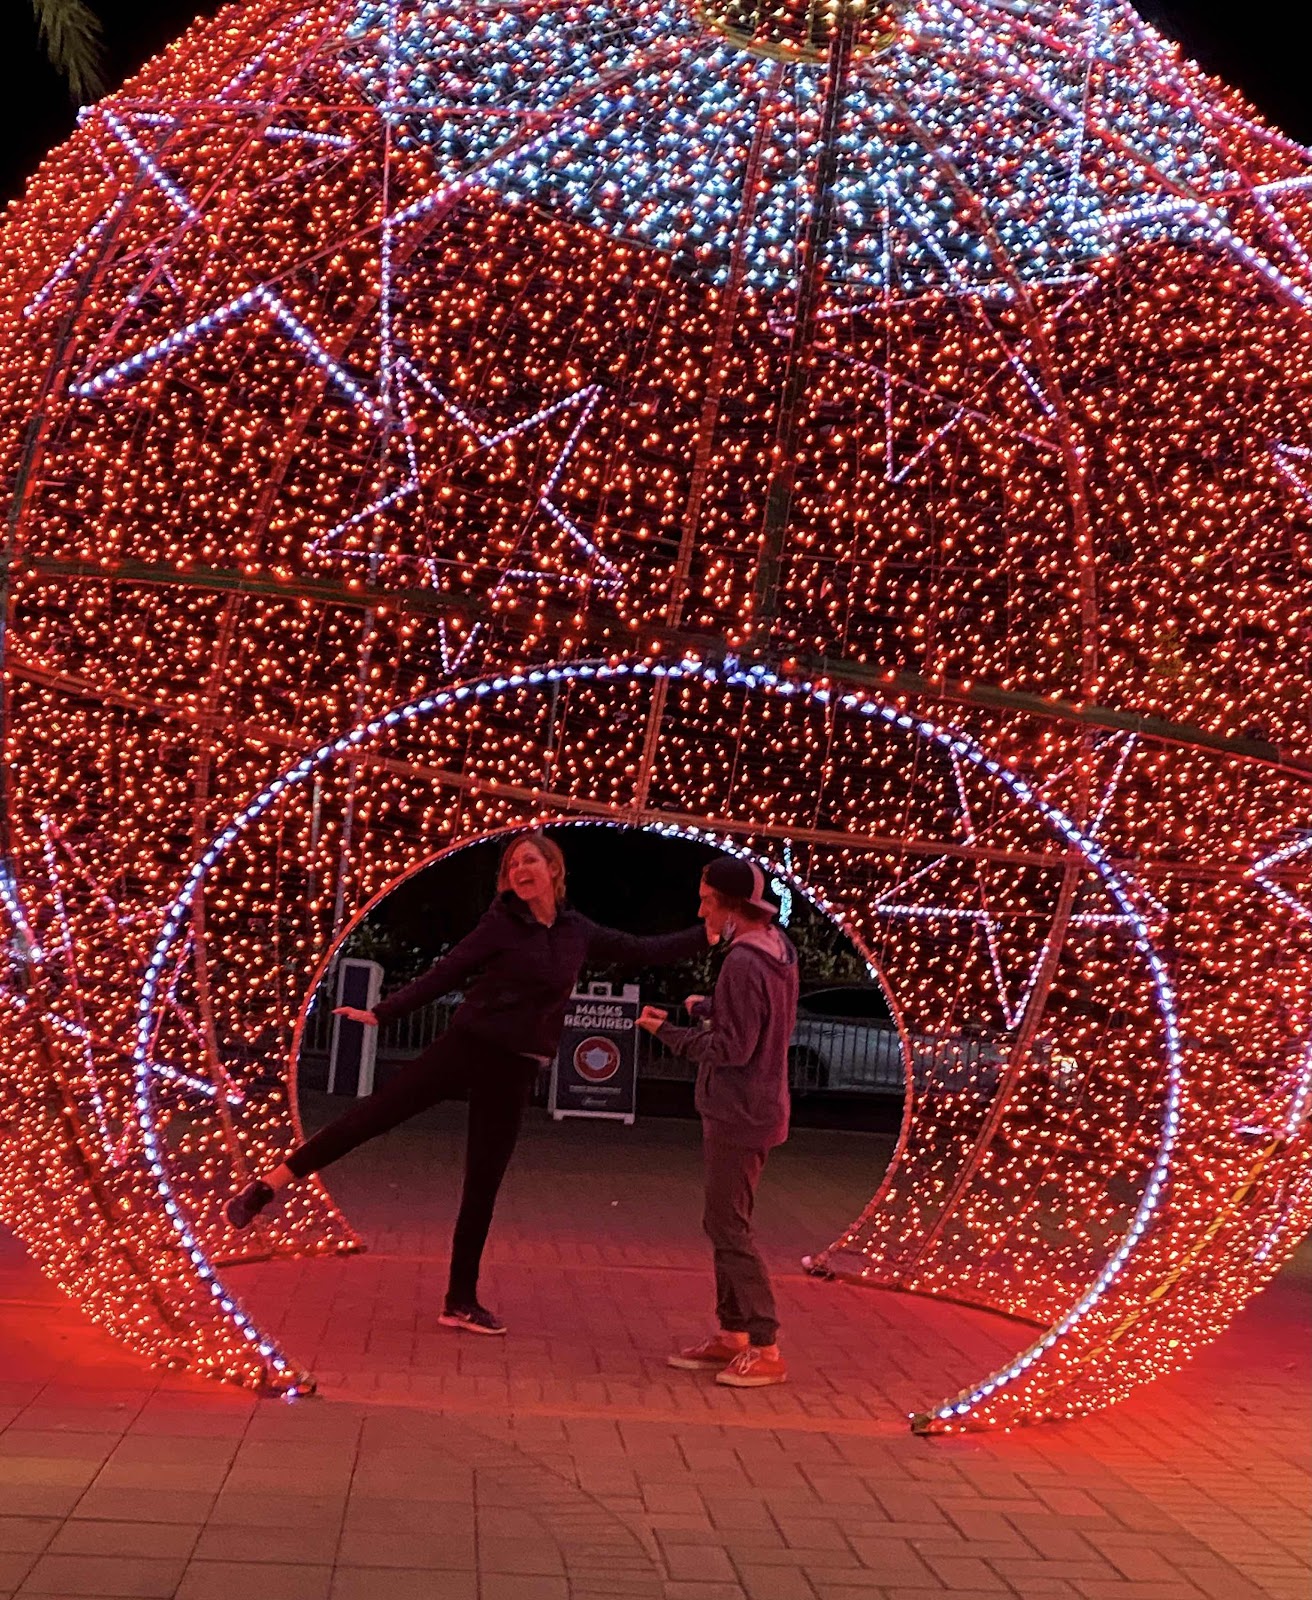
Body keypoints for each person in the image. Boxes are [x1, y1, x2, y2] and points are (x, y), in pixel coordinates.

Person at [225, 831, 707, 1335]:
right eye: (512, 865)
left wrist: (708, 933)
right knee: (373, 1116)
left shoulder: (576, 930)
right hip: (469, 1047)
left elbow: (642, 949)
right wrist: (383, 1012)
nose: (519, 870)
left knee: (483, 1184)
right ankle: (265, 1187)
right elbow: (448, 971)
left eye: (529, 861)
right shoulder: (501, 924)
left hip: (516, 1067)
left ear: (553, 869)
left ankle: (460, 1300)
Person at [638, 856, 798, 1388]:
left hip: (738, 1110)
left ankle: (765, 1345)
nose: (701, 911)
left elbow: (732, 1049)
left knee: (728, 1226)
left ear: (732, 908)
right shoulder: (777, 949)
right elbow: (758, 1017)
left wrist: (666, 1033)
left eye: (707, 901)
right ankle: (733, 1334)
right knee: (724, 1221)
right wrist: (707, 1006)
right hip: (758, 1105)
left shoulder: (743, 962)